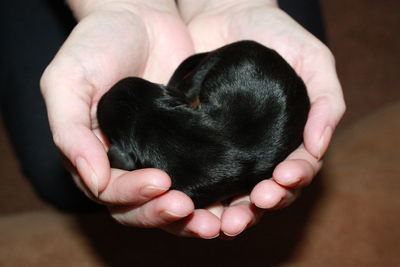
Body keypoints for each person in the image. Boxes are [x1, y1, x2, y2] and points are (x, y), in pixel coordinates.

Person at [1, 0, 345, 239]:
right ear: (170, 101)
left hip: (249, 70)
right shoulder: (184, 155)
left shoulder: (181, 170)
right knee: (62, 183)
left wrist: (233, 4)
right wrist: (119, 6)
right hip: (255, 75)